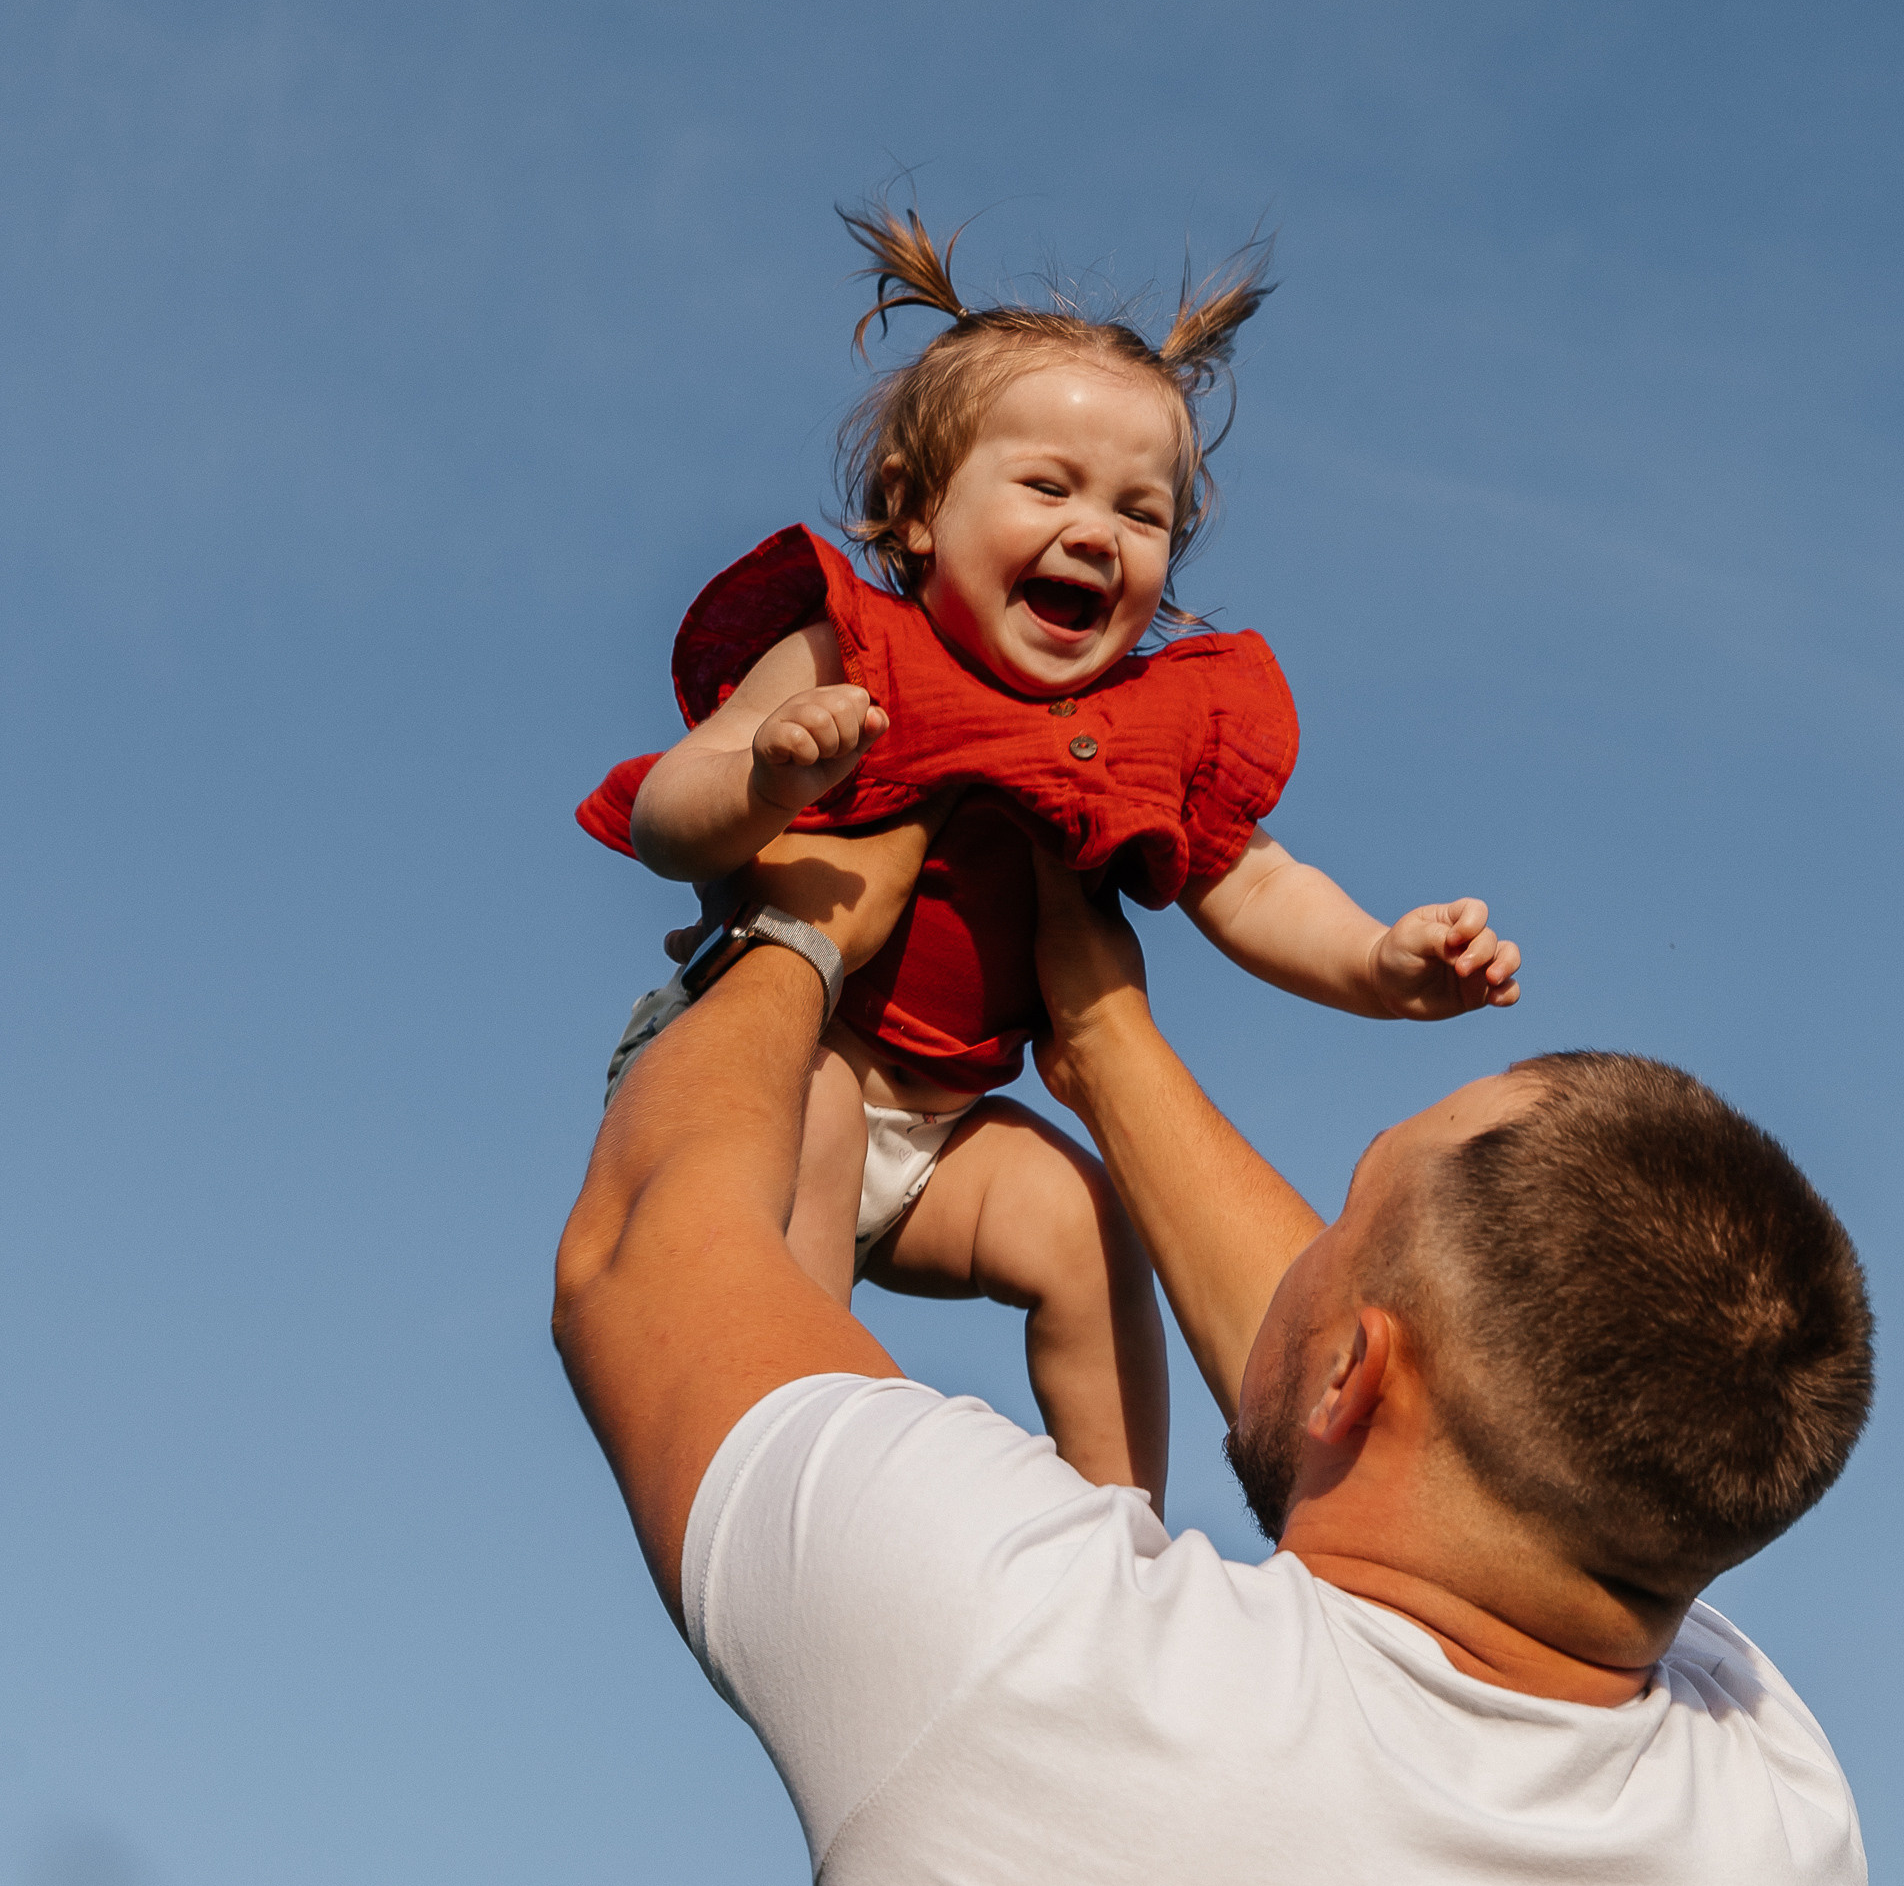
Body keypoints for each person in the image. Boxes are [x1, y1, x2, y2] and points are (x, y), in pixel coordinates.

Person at [554, 822, 1875, 1886]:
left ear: (1351, 1367)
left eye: (1348, 1204)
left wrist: (793, 935)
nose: (1305, 1249)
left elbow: (646, 1257)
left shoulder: (1027, 1659)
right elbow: (1402, 1425)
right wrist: (1103, 1030)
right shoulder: (1775, 1816)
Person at [575, 200, 1520, 1501]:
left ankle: (1118, 1517)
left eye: (1143, 513)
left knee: (1086, 1214)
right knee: (828, 1119)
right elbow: (663, 814)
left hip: (953, 1123)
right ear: (910, 513)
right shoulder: (850, 649)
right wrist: (769, 772)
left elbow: (1250, 881)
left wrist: (1379, 962)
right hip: (784, 1073)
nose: (1098, 531)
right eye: (1048, 487)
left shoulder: (1144, 720)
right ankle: (812, 1457)